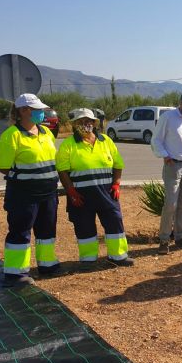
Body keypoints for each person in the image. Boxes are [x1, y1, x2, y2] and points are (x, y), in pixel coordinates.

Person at [0, 93, 61, 287]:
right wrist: (25, 176)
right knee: (20, 232)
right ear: (23, 111)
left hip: (48, 192)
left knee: (47, 229)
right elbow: (2, 165)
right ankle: (16, 273)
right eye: (37, 110)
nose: (41, 113)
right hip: (23, 194)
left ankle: (47, 265)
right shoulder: (12, 135)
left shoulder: (46, 133)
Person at [56, 108, 133, 269]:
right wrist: (70, 191)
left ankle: (118, 256)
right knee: (84, 226)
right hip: (81, 195)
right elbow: (62, 171)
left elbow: (118, 164)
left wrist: (116, 183)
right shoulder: (68, 145)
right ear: (74, 125)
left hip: (107, 193)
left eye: (89, 121)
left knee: (114, 223)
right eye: (81, 122)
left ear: (94, 123)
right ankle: (88, 259)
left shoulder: (106, 141)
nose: (86, 124)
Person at [151, 90, 182, 254]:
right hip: (174, 165)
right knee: (171, 204)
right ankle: (164, 240)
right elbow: (156, 140)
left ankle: (180, 238)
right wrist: (165, 156)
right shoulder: (168, 118)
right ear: (181, 102)